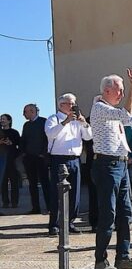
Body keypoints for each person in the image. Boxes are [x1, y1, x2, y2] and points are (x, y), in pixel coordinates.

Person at [90, 69, 132, 269]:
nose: (122, 94)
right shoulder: (100, 108)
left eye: (124, 90)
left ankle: (123, 257)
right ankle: (100, 260)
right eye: (120, 90)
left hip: (121, 164)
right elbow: (126, 115)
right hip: (106, 165)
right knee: (108, 213)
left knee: (126, 212)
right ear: (107, 90)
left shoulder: (113, 112)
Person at [45, 94, 92, 236]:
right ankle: (54, 224)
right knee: (57, 192)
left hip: (75, 159)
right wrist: (65, 122)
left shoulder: (77, 121)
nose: (73, 106)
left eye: (74, 103)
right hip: (59, 159)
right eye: (70, 104)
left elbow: (89, 136)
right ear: (61, 105)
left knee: (75, 193)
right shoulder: (53, 119)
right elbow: (50, 134)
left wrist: (84, 123)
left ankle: (70, 222)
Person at [20, 104, 49, 214]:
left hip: (41, 158)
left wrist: (43, 154)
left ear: (32, 111)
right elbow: (23, 139)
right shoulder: (26, 125)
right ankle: (35, 208)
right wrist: (23, 153)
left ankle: (50, 207)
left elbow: (48, 139)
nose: (23, 114)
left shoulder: (44, 122)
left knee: (45, 182)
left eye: (25, 112)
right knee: (32, 184)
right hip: (29, 158)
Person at [0, 114, 22, 209]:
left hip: (12, 161)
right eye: (1, 119)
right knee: (3, 183)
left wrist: (11, 143)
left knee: (14, 183)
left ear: (9, 121)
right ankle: (5, 202)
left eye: (4, 119)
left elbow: (20, 146)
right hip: (1, 161)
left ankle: (14, 202)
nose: (2, 121)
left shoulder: (14, 133)